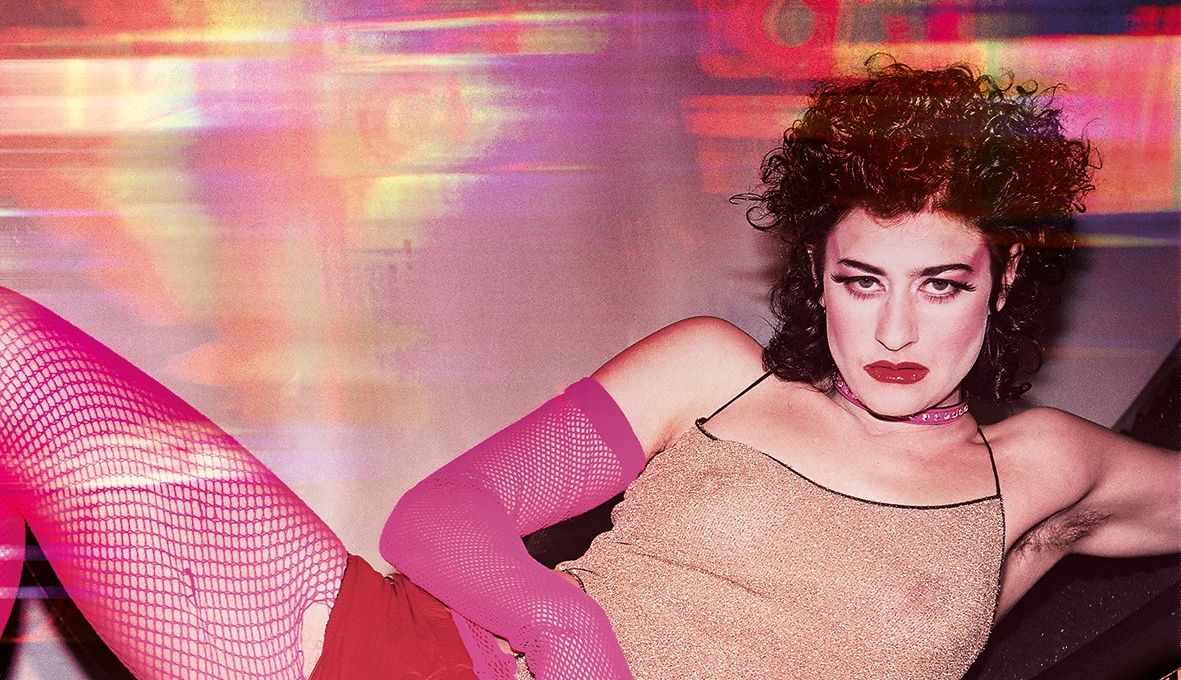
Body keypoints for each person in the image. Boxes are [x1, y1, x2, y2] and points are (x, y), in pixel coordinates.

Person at [0, 59, 1174, 680]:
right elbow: (435, 517)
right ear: (816, 267)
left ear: (1004, 277)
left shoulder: (1035, 470)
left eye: (941, 283)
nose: (894, 329)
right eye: (861, 279)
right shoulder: (718, 376)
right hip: (403, 658)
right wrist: (564, 631)